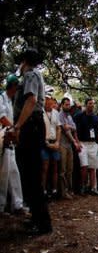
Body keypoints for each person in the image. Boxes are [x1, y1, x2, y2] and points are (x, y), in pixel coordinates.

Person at [12, 48, 52, 234]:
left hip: (31, 125)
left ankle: (42, 222)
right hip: (32, 125)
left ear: (25, 62)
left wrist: (18, 126)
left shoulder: (30, 75)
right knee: (29, 174)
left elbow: (31, 101)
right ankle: (37, 218)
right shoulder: (32, 75)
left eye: (20, 62)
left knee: (32, 174)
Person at [0, 74, 24, 213]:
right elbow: (2, 117)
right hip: (3, 138)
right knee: (3, 174)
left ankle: (17, 204)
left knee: (13, 172)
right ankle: (1, 207)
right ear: (12, 86)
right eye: (16, 87)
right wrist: (14, 129)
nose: (17, 90)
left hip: (9, 140)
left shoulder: (10, 100)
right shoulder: (1, 98)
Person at [74, 98, 98, 196]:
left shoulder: (96, 118)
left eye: (93, 104)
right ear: (86, 104)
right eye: (90, 103)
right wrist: (77, 142)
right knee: (84, 166)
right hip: (82, 143)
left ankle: (93, 187)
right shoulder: (79, 116)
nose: (92, 105)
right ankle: (82, 186)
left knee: (93, 167)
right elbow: (75, 131)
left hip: (93, 144)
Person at [59, 97, 80, 199]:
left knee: (70, 169)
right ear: (62, 105)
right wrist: (74, 142)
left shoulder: (69, 116)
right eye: (66, 104)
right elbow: (65, 130)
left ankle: (69, 190)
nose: (68, 106)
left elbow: (74, 128)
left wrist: (69, 126)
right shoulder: (60, 115)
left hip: (69, 145)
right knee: (62, 169)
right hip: (62, 144)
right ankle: (63, 192)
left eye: (69, 105)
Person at [41, 95, 62, 199]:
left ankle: (54, 190)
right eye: (46, 101)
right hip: (44, 143)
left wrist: (57, 142)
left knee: (55, 166)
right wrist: (46, 143)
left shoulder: (56, 113)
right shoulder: (40, 112)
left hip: (55, 141)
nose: (49, 103)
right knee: (44, 167)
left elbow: (58, 128)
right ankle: (43, 191)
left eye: (50, 101)